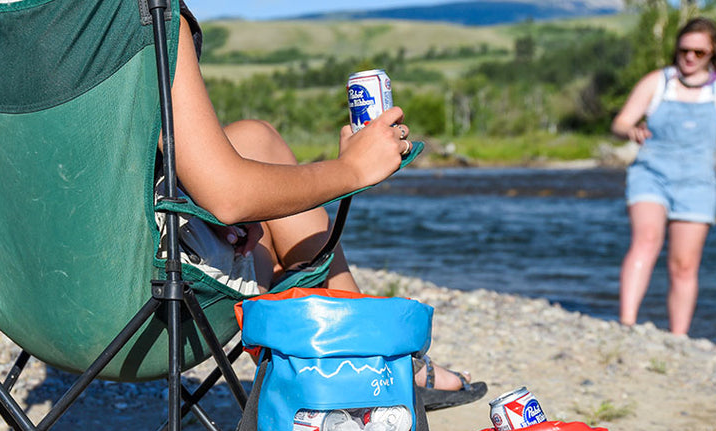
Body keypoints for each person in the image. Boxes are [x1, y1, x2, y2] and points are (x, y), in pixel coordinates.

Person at [170, 3, 485, 409]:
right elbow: (230, 199)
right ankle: (372, 355)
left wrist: (193, 197)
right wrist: (350, 170)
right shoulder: (147, 21)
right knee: (279, 235)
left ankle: (363, 347)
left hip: (69, 300)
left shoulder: (65, 24)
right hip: (153, 304)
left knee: (254, 137)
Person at [611, 17, 716, 335]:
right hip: (650, 175)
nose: (690, 57)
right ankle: (626, 325)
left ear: (712, 53)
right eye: (684, 50)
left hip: (698, 184)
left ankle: (678, 337)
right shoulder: (657, 82)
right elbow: (620, 123)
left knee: (684, 264)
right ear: (676, 49)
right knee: (646, 241)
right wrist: (631, 130)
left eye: (699, 52)